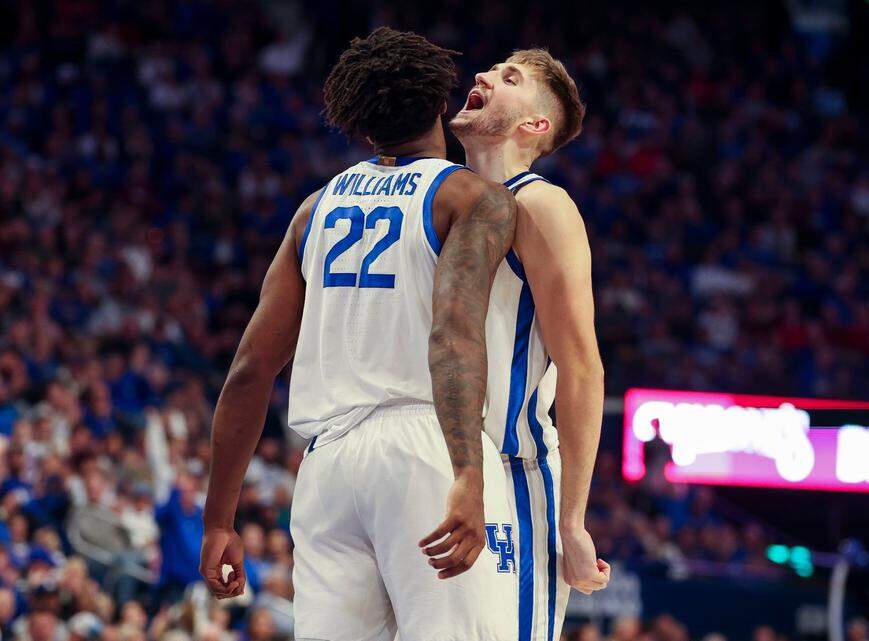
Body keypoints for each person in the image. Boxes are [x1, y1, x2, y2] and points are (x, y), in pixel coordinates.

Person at [199, 27, 519, 641]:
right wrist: (467, 474)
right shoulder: (469, 196)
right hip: (423, 445)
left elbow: (248, 370)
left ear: (362, 127)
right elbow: (452, 337)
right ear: (439, 106)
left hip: (327, 469)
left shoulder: (313, 210)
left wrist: (219, 519)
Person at [448, 48, 610, 641]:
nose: (483, 76)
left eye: (508, 78)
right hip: (427, 468)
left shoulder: (540, 203)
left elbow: (582, 367)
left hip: (508, 477)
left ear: (534, 125)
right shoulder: (434, 197)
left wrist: (572, 520)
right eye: (491, 70)